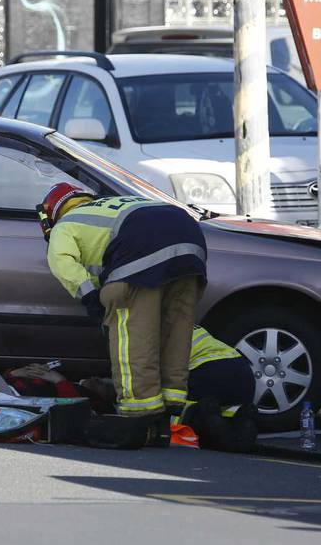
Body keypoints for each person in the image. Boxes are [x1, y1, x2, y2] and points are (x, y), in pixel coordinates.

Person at [39, 183, 208, 445]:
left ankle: (138, 413)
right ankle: (172, 406)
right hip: (189, 238)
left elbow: (62, 261)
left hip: (141, 244)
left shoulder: (66, 223)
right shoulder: (112, 205)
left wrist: (89, 295)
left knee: (131, 331)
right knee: (175, 329)